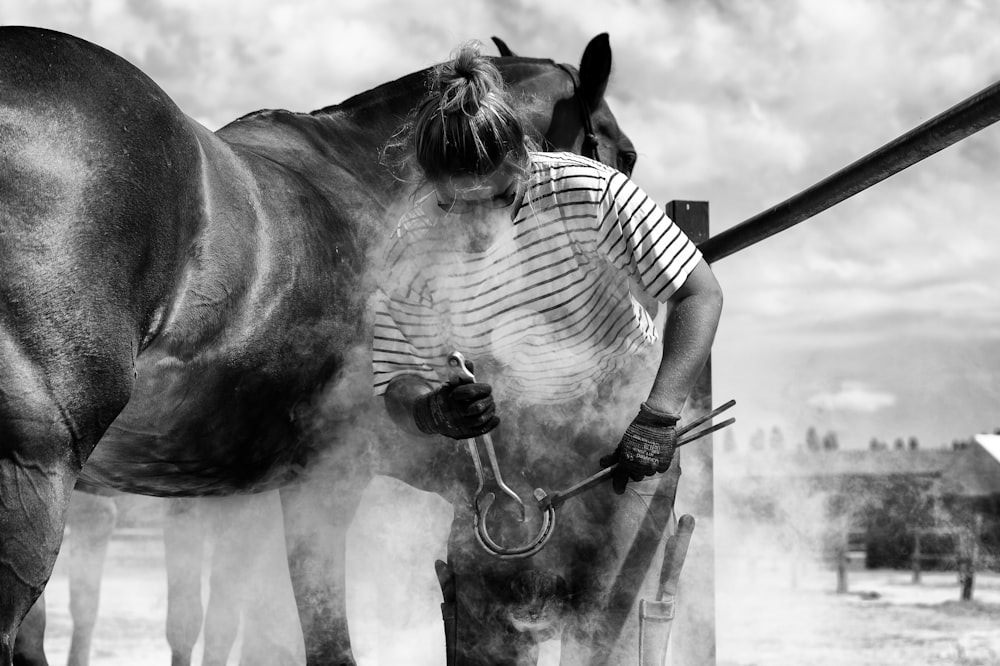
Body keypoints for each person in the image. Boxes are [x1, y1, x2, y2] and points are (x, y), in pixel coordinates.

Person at [373, 42, 723, 665]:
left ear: (522, 162)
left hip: (619, 444)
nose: (480, 224)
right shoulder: (411, 245)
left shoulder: (587, 192)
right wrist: (431, 411)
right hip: (504, 461)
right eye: (458, 204)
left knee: (607, 651)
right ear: (433, 187)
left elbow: (697, 291)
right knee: (485, 650)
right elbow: (395, 379)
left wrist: (660, 414)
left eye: (499, 199)